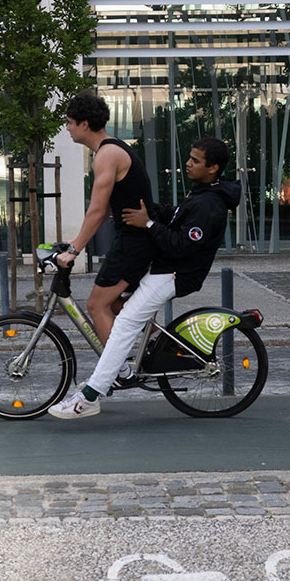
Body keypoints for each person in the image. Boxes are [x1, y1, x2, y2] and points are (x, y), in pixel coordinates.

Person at [49, 138, 240, 419]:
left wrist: (147, 223)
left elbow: (181, 245)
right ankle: (155, 349)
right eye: (189, 157)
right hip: (164, 269)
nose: (188, 163)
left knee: (125, 324)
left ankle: (91, 396)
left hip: (175, 274)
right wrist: (145, 210)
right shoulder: (203, 192)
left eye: (196, 161)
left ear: (213, 168)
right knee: (116, 307)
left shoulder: (209, 204)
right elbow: (176, 216)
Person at [55, 89, 157, 346]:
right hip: (135, 240)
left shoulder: (106, 154)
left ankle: (116, 370)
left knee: (96, 306)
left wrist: (75, 249)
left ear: (84, 124)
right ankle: (166, 347)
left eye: (69, 122)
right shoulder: (110, 150)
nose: (67, 128)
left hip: (134, 242)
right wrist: (75, 240)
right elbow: (108, 209)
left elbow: (98, 210)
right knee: (119, 304)